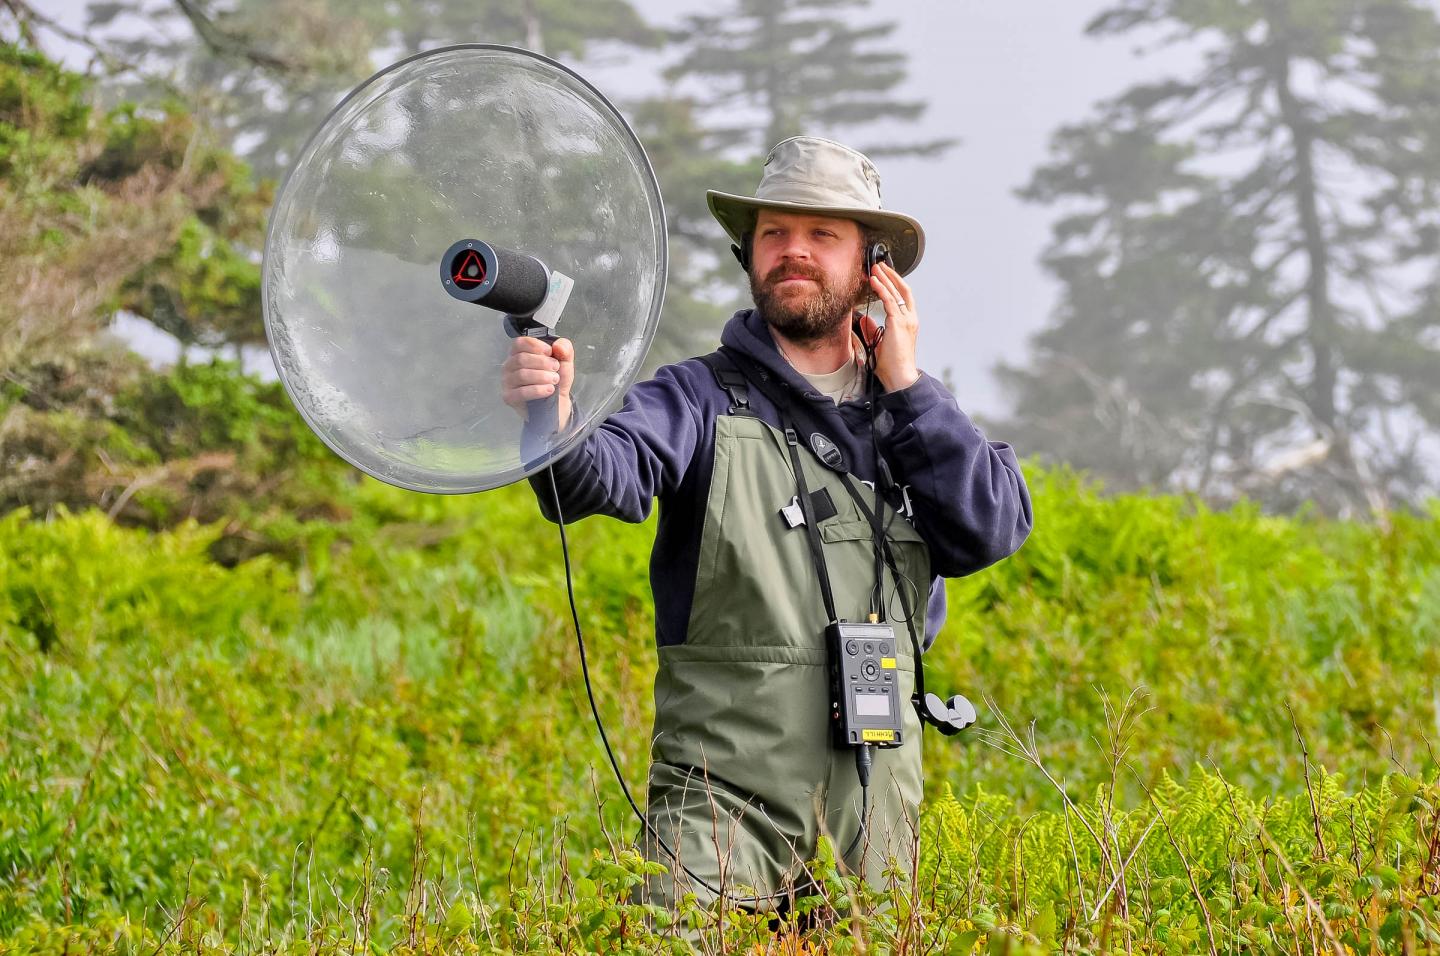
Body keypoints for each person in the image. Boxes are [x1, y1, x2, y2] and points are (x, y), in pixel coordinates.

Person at [501, 136, 1032, 918]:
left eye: (823, 236)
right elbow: (591, 480)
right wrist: (554, 412)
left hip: (876, 817)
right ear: (748, 252)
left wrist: (911, 394)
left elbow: (990, 528)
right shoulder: (696, 397)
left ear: (872, 266)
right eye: (775, 233)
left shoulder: (917, 412)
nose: (794, 253)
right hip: (719, 814)